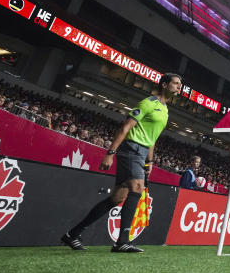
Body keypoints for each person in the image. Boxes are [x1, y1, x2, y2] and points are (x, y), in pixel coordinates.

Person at [60, 72, 181, 253]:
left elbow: (152, 138)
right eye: (176, 83)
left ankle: (72, 234)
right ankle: (122, 242)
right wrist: (110, 153)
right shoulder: (148, 103)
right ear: (164, 85)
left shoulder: (165, 109)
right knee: (137, 189)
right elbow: (125, 127)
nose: (179, 87)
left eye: (180, 85)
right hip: (130, 149)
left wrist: (150, 162)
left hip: (141, 154)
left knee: (117, 198)